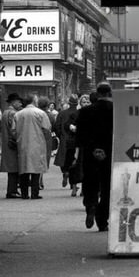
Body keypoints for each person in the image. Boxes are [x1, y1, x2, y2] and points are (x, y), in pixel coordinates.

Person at [73, 82, 114, 231]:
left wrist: (80, 153)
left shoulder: (85, 111)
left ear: (97, 93)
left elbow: (79, 136)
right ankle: (102, 219)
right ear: (110, 93)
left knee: (90, 182)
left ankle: (91, 205)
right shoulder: (115, 110)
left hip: (90, 153)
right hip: (110, 153)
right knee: (107, 186)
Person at [13, 94, 53, 199]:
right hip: (37, 144)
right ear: (33, 101)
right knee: (36, 170)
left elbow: (13, 130)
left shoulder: (18, 114)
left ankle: (24, 193)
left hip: (22, 144)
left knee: (24, 169)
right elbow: (47, 128)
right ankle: (35, 193)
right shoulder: (40, 113)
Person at [54, 94, 81, 194]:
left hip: (65, 139)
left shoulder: (62, 113)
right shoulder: (79, 113)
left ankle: (65, 172)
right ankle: (72, 184)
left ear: (69, 103)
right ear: (77, 103)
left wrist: (60, 135)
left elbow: (57, 125)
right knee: (75, 161)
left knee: (64, 159)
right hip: (76, 140)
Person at [0, 93, 24, 198]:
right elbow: (15, 130)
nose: (20, 104)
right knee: (14, 168)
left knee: (11, 169)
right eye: (19, 102)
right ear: (13, 102)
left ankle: (12, 190)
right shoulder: (13, 114)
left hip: (7, 143)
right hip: (13, 144)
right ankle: (12, 191)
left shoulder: (5, 112)